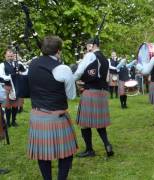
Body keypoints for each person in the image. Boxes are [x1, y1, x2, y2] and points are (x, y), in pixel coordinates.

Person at [28, 36, 78, 180]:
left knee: (43, 154)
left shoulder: (32, 64)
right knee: (66, 154)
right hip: (57, 117)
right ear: (59, 51)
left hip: (37, 115)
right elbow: (72, 96)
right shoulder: (62, 68)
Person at [74, 38, 114, 158]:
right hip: (102, 92)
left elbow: (78, 72)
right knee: (100, 123)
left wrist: (70, 80)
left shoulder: (90, 55)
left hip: (90, 91)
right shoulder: (105, 59)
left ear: (92, 45)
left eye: (87, 45)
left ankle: (90, 150)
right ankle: (107, 145)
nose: (86, 48)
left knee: (84, 123)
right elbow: (106, 77)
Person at [0, 48, 27, 127]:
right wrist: (11, 77)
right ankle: (8, 122)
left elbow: (25, 72)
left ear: (14, 56)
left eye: (11, 56)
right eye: (8, 56)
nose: (10, 57)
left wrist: (20, 73)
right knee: (8, 106)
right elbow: (1, 75)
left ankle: (13, 121)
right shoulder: (2, 65)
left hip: (16, 86)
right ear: (5, 56)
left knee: (15, 105)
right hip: (7, 86)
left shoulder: (18, 63)